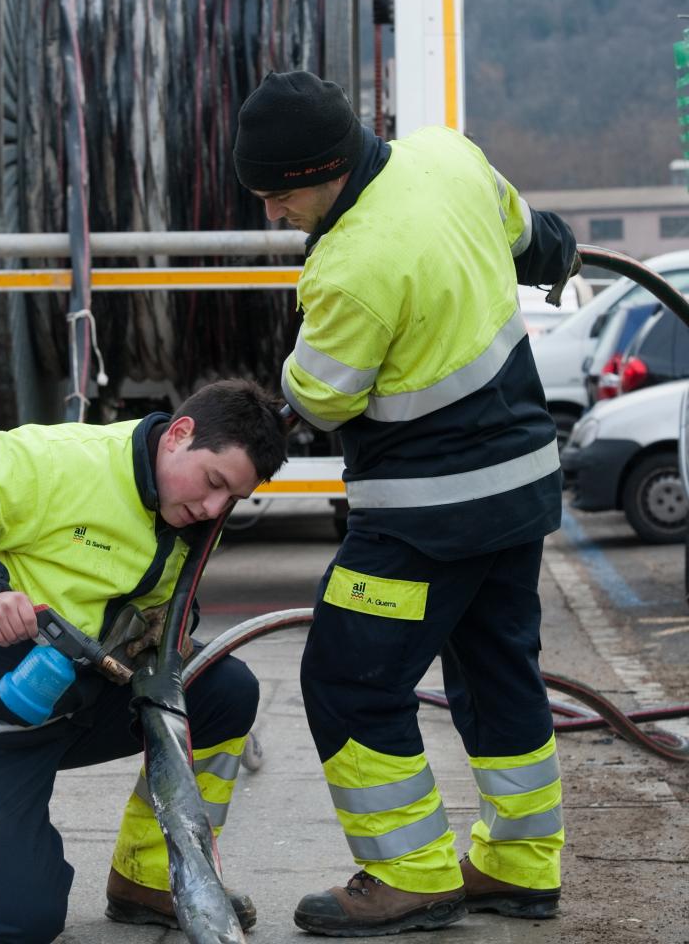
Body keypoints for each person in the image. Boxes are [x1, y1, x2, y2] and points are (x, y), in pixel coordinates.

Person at [233, 71, 578, 937]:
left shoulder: (352, 266)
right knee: (498, 671)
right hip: (521, 490)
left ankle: (410, 875)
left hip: (428, 518)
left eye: (280, 195)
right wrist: (556, 254)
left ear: (325, 170)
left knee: (348, 680)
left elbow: (322, 398)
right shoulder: (447, 155)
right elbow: (532, 236)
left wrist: (277, 387)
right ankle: (521, 865)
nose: (274, 213)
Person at [0, 378, 287, 944]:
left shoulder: (193, 515)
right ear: (179, 434)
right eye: (214, 482)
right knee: (20, 922)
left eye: (232, 498)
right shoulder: (62, 462)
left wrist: (163, 630)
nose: (214, 508)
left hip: (69, 706)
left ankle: (149, 878)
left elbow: (156, 600)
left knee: (224, 689)